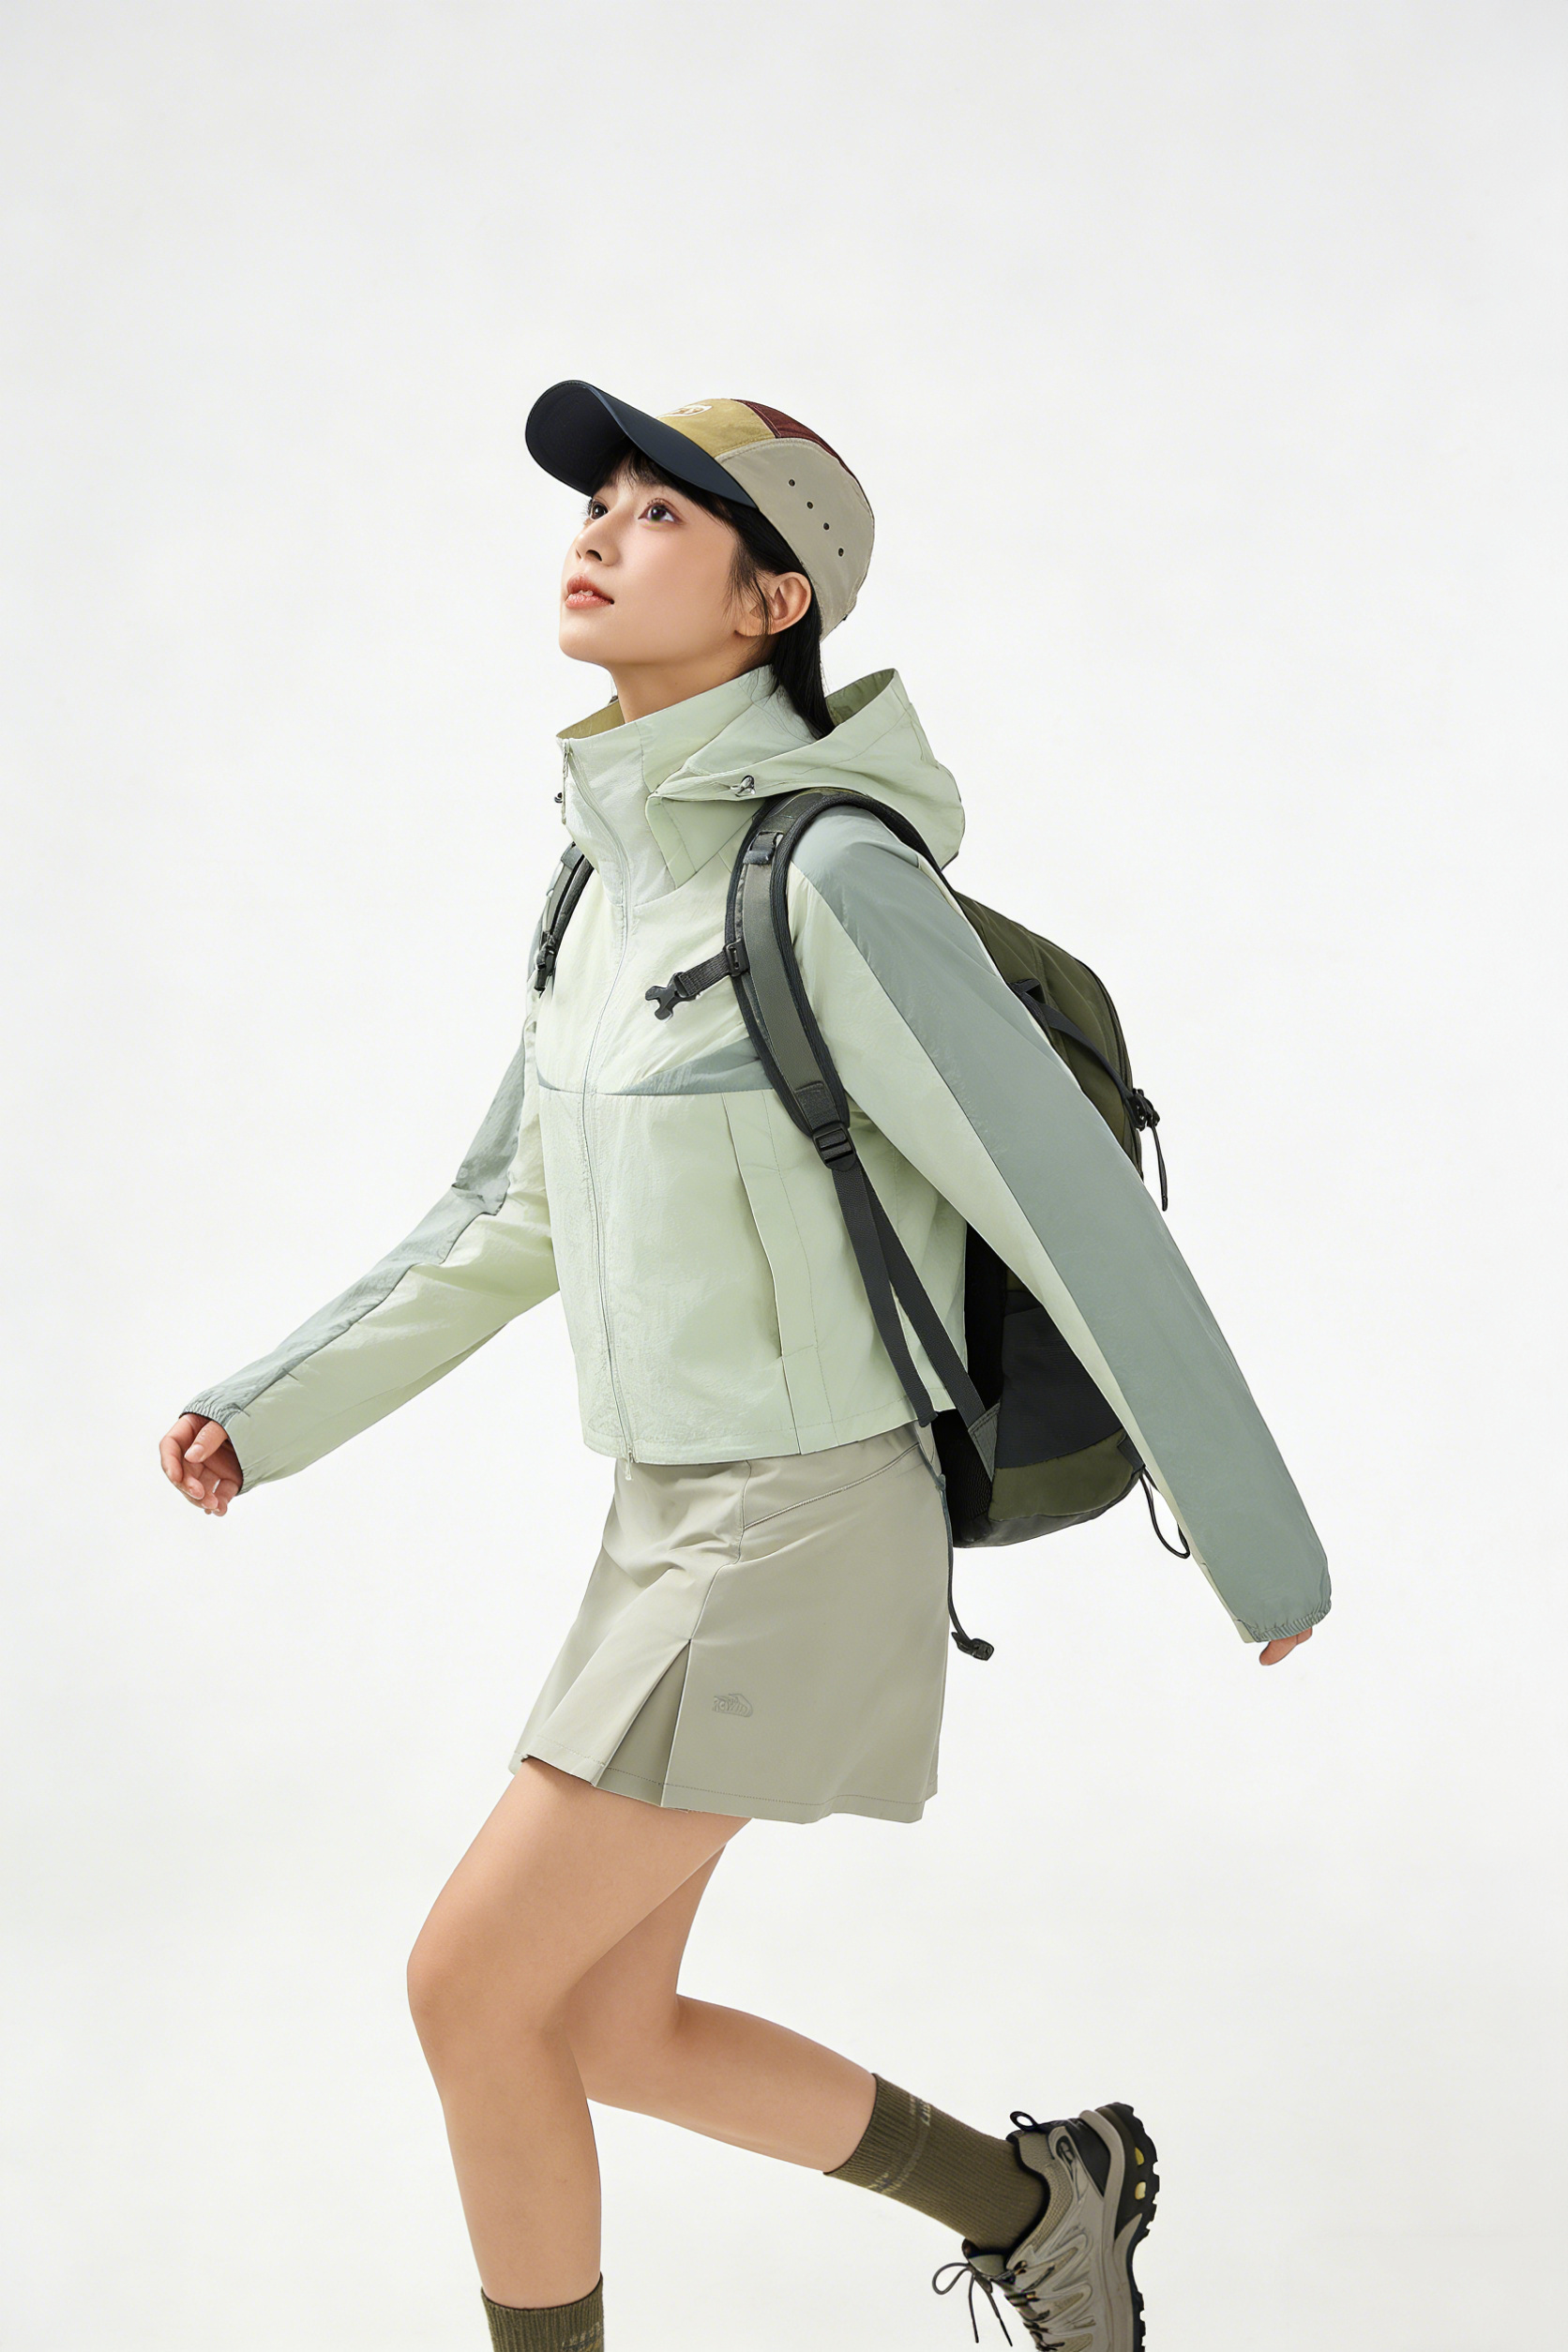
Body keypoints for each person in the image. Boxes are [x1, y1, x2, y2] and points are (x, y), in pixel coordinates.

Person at [159, 383, 1329, 2352]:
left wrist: (1255, 1544)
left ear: (773, 600)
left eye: (661, 515)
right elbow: (502, 1213)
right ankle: (1047, 2202)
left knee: (469, 1991)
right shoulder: (603, 892)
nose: (598, 531)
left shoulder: (836, 882)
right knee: (602, 2023)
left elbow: (1078, 1222)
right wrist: (268, 1411)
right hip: (661, 1513)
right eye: (596, 501)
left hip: (800, 1525)